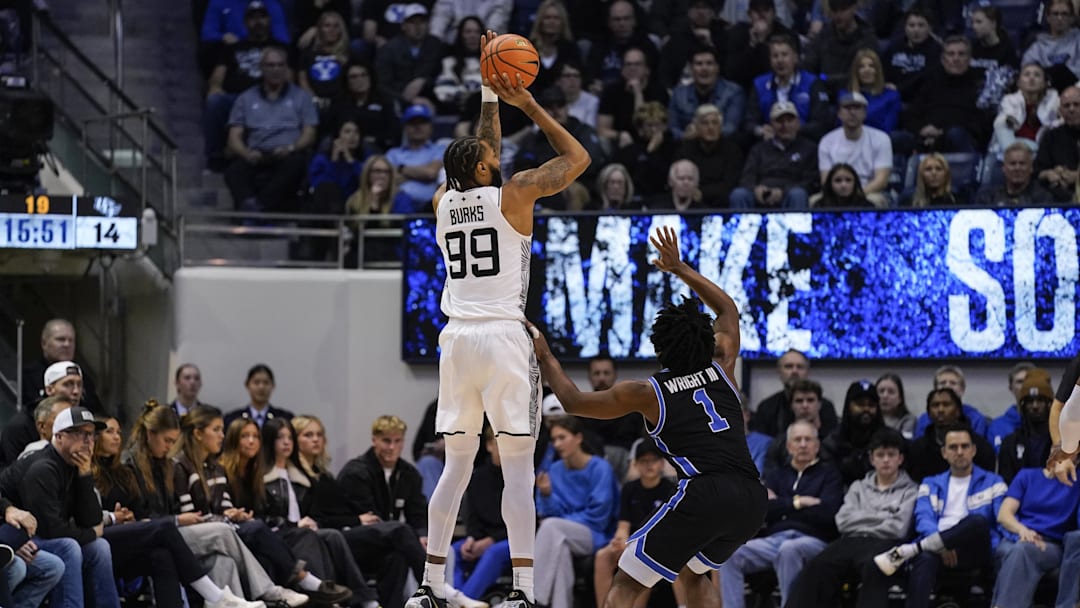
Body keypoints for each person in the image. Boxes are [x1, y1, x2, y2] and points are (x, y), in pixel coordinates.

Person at [404, 30, 590, 608]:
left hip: (455, 341)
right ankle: (524, 590)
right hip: (505, 339)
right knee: (515, 469)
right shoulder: (515, 194)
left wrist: (488, 94)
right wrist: (525, 103)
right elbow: (578, 159)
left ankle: (430, 586)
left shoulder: (440, 201)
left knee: (453, 470)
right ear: (486, 170)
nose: (499, 156)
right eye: (493, 158)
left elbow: (478, 150)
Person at [530, 226, 767, 608]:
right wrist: (680, 269)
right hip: (752, 496)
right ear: (705, 340)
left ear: (660, 347)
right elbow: (727, 310)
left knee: (626, 579)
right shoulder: (723, 365)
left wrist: (544, 356)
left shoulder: (646, 392)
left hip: (705, 491)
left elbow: (572, 402)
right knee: (693, 572)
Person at [91, 414, 267, 608]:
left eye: (118, 431)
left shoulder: (124, 471)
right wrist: (114, 517)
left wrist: (126, 516)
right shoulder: (125, 465)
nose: (117, 437)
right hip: (109, 533)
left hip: (139, 530)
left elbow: (136, 508)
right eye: (109, 431)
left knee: (171, 556)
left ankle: (225, 600)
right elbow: (92, 513)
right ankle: (226, 595)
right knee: (207, 530)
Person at [873, 424, 1007, 608]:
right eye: (953, 447)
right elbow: (923, 518)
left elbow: (1002, 519)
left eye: (965, 446)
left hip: (976, 548)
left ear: (973, 450)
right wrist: (942, 545)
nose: (959, 452)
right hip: (939, 549)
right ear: (944, 453)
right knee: (925, 559)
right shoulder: (930, 483)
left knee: (977, 522)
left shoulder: (994, 482)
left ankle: (912, 549)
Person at [0, 406, 118, 607]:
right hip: (17, 536)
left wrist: (85, 476)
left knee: (100, 548)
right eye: (81, 434)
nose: (89, 442)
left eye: (91, 435)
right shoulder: (43, 468)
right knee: (69, 547)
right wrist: (91, 533)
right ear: (60, 436)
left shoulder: (76, 464)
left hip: (37, 534)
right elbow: (51, 530)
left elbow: (90, 520)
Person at [786, 429, 916, 608]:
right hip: (850, 541)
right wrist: (882, 517)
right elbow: (842, 521)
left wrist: (862, 518)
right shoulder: (858, 487)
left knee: (876, 567)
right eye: (880, 455)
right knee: (817, 566)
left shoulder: (911, 490)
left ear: (900, 459)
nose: (886, 460)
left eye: (891, 454)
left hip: (890, 544)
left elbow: (898, 528)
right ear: (872, 459)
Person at [720, 420, 842, 608]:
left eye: (808, 439)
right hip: (774, 540)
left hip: (812, 541)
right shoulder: (777, 475)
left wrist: (782, 506)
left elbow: (828, 514)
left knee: (789, 551)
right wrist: (799, 502)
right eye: (797, 440)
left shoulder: (829, 474)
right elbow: (763, 512)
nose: (802, 445)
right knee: (729, 554)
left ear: (817, 446)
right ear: (788, 446)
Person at [533, 415, 619, 608]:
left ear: (578, 438)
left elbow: (599, 517)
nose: (557, 444)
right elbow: (546, 514)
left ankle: (532, 597)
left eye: (562, 437)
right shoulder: (553, 470)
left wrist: (562, 521)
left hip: (595, 534)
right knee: (559, 549)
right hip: (560, 534)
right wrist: (546, 494)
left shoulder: (600, 468)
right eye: (554, 439)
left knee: (552, 528)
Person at [593, 440, 677, 608]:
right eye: (644, 461)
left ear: (661, 464)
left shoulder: (671, 490)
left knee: (640, 560)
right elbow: (623, 526)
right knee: (603, 556)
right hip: (631, 543)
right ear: (636, 464)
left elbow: (670, 529)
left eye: (653, 460)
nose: (649, 465)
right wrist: (619, 540)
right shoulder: (630, 489)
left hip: (658, 545)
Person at [991, 462, 1080, 608]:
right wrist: (1022, 530)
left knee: (1022, 551)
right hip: (1019, 534)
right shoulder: (1027, 475)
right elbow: (1004, 514)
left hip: (1052, 544)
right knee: (1011, 550)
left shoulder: (1076, 480)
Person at [907, 388, 995, 482]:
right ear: (928, 413)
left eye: (946, 405)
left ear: (958, 411)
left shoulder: (979, 447)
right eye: (935, 405)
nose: (940, 410)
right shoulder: (917, 449)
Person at [20, 318, 102, 413]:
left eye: (71, 340)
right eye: (61, 339)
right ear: (44, 343)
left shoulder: (83, 376)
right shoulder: (27, 376)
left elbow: (97, 413)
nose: (67, 344)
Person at [822, 380, 885, 486]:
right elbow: (829, 481)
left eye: (871, 405)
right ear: (848, 406)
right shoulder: (832, 442)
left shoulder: (889, 440)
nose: (866, 409)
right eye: (860, 404)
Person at [224, 364, 296, 429]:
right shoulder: (233, 419)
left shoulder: (285, 418)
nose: (261, 387)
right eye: (256, 382)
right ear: (247, 385)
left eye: (266, 383)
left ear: (273, 386)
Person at [876, 373, 915, 439]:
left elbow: (905, 444)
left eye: (891, 392)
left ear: (900, 398)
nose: (885, 396)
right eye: (881, 391)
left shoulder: (908, 420)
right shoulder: (869, 419)